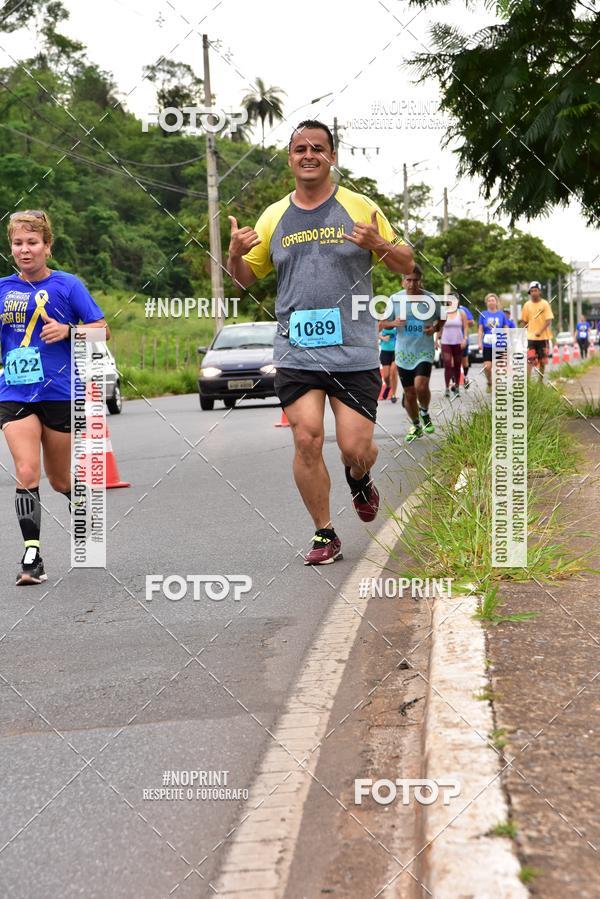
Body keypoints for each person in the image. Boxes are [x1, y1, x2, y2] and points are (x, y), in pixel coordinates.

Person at [226, 120, 413, 565]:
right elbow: (244, 280)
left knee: (355, 449)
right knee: (306, 439)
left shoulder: (359, 206)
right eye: (299, 149)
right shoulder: (274, 216)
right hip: (296, 350)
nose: (308, 155)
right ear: (289, 158)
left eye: (318, 148)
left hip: (354, 351)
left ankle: (358, 477)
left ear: (332, 156)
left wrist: (379, 243)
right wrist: (234, 253)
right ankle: (324, 534)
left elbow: (405, 261)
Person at [0, 210, 109, 585]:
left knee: (59, 479)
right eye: (17, 243)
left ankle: (81, 506)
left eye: (32, 243)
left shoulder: (68, 285)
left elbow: (102, 331)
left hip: (60, 392)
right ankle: (32, 555)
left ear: (47, 246)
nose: (24, 250)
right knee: (26, 471)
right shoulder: (2, 289)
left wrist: (68, 330)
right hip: (15, 392)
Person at [387, 265, 440, 443]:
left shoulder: (431, 299)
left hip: (424, 350)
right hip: (403, 352)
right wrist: (394, 323)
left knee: (421, 386)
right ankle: (416, 424)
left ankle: (424, 412)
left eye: (415, 280)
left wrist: (434, 328)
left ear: (420, 281)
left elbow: (443, 317)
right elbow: (382, 323)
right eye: (408, 280)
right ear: (403, 281)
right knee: (409, 393)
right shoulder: (394, 299)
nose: (412, 284)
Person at [520, 281, 554, 376]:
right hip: (531, 337)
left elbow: (548, 320)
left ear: (539, 292)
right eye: (532, 291)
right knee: (530, 358)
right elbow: (524, 321)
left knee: (542, 360)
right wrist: (524, 331)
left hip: (543, 337)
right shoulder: (527, 305)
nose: (533, 293)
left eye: (535, 290)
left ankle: (540, 380)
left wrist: (540, 331)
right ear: (530, 292)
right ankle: (528, 381)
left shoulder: (545, 304)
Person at [478, 293, 510, 392]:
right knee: (487, 367)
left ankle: (499, 385)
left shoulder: (501, 314)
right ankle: (490, 382)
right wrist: (479, 342)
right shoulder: (483, 314)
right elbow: (480, 329)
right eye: (489, 300)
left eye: (493, 300)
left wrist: (507, 339)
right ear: (486, 303)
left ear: (496, 302)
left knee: (500, 366)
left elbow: (505, 327)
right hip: (487, 343)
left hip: (499, 343)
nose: (491, 302)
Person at [438, 303, 469, 398]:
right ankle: (447, 388)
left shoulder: (461, 312)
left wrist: (465, 339)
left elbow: (466, 327)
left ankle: (456, 387)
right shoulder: (444, 312)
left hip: (458, 341)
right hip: (446, 341)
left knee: (457, 364)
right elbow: (439, 327)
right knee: (447, 364)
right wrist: (436, 340)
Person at [378, 323, 398, 402]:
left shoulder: (397, 323)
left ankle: (393, 395)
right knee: (386, 376)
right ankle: (388, 386)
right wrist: (382, 338)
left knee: (393, 372)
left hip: (396, 351)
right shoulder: (382, 323)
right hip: (385, 351)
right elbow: (373, 332)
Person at [457, 301, 474, 388]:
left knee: (464, 361)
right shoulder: (445, 311)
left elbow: (472, 322)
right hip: (450, 340)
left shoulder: (463, 309)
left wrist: (461, 321)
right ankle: (454, 382)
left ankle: (465, 376)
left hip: (462, 339)